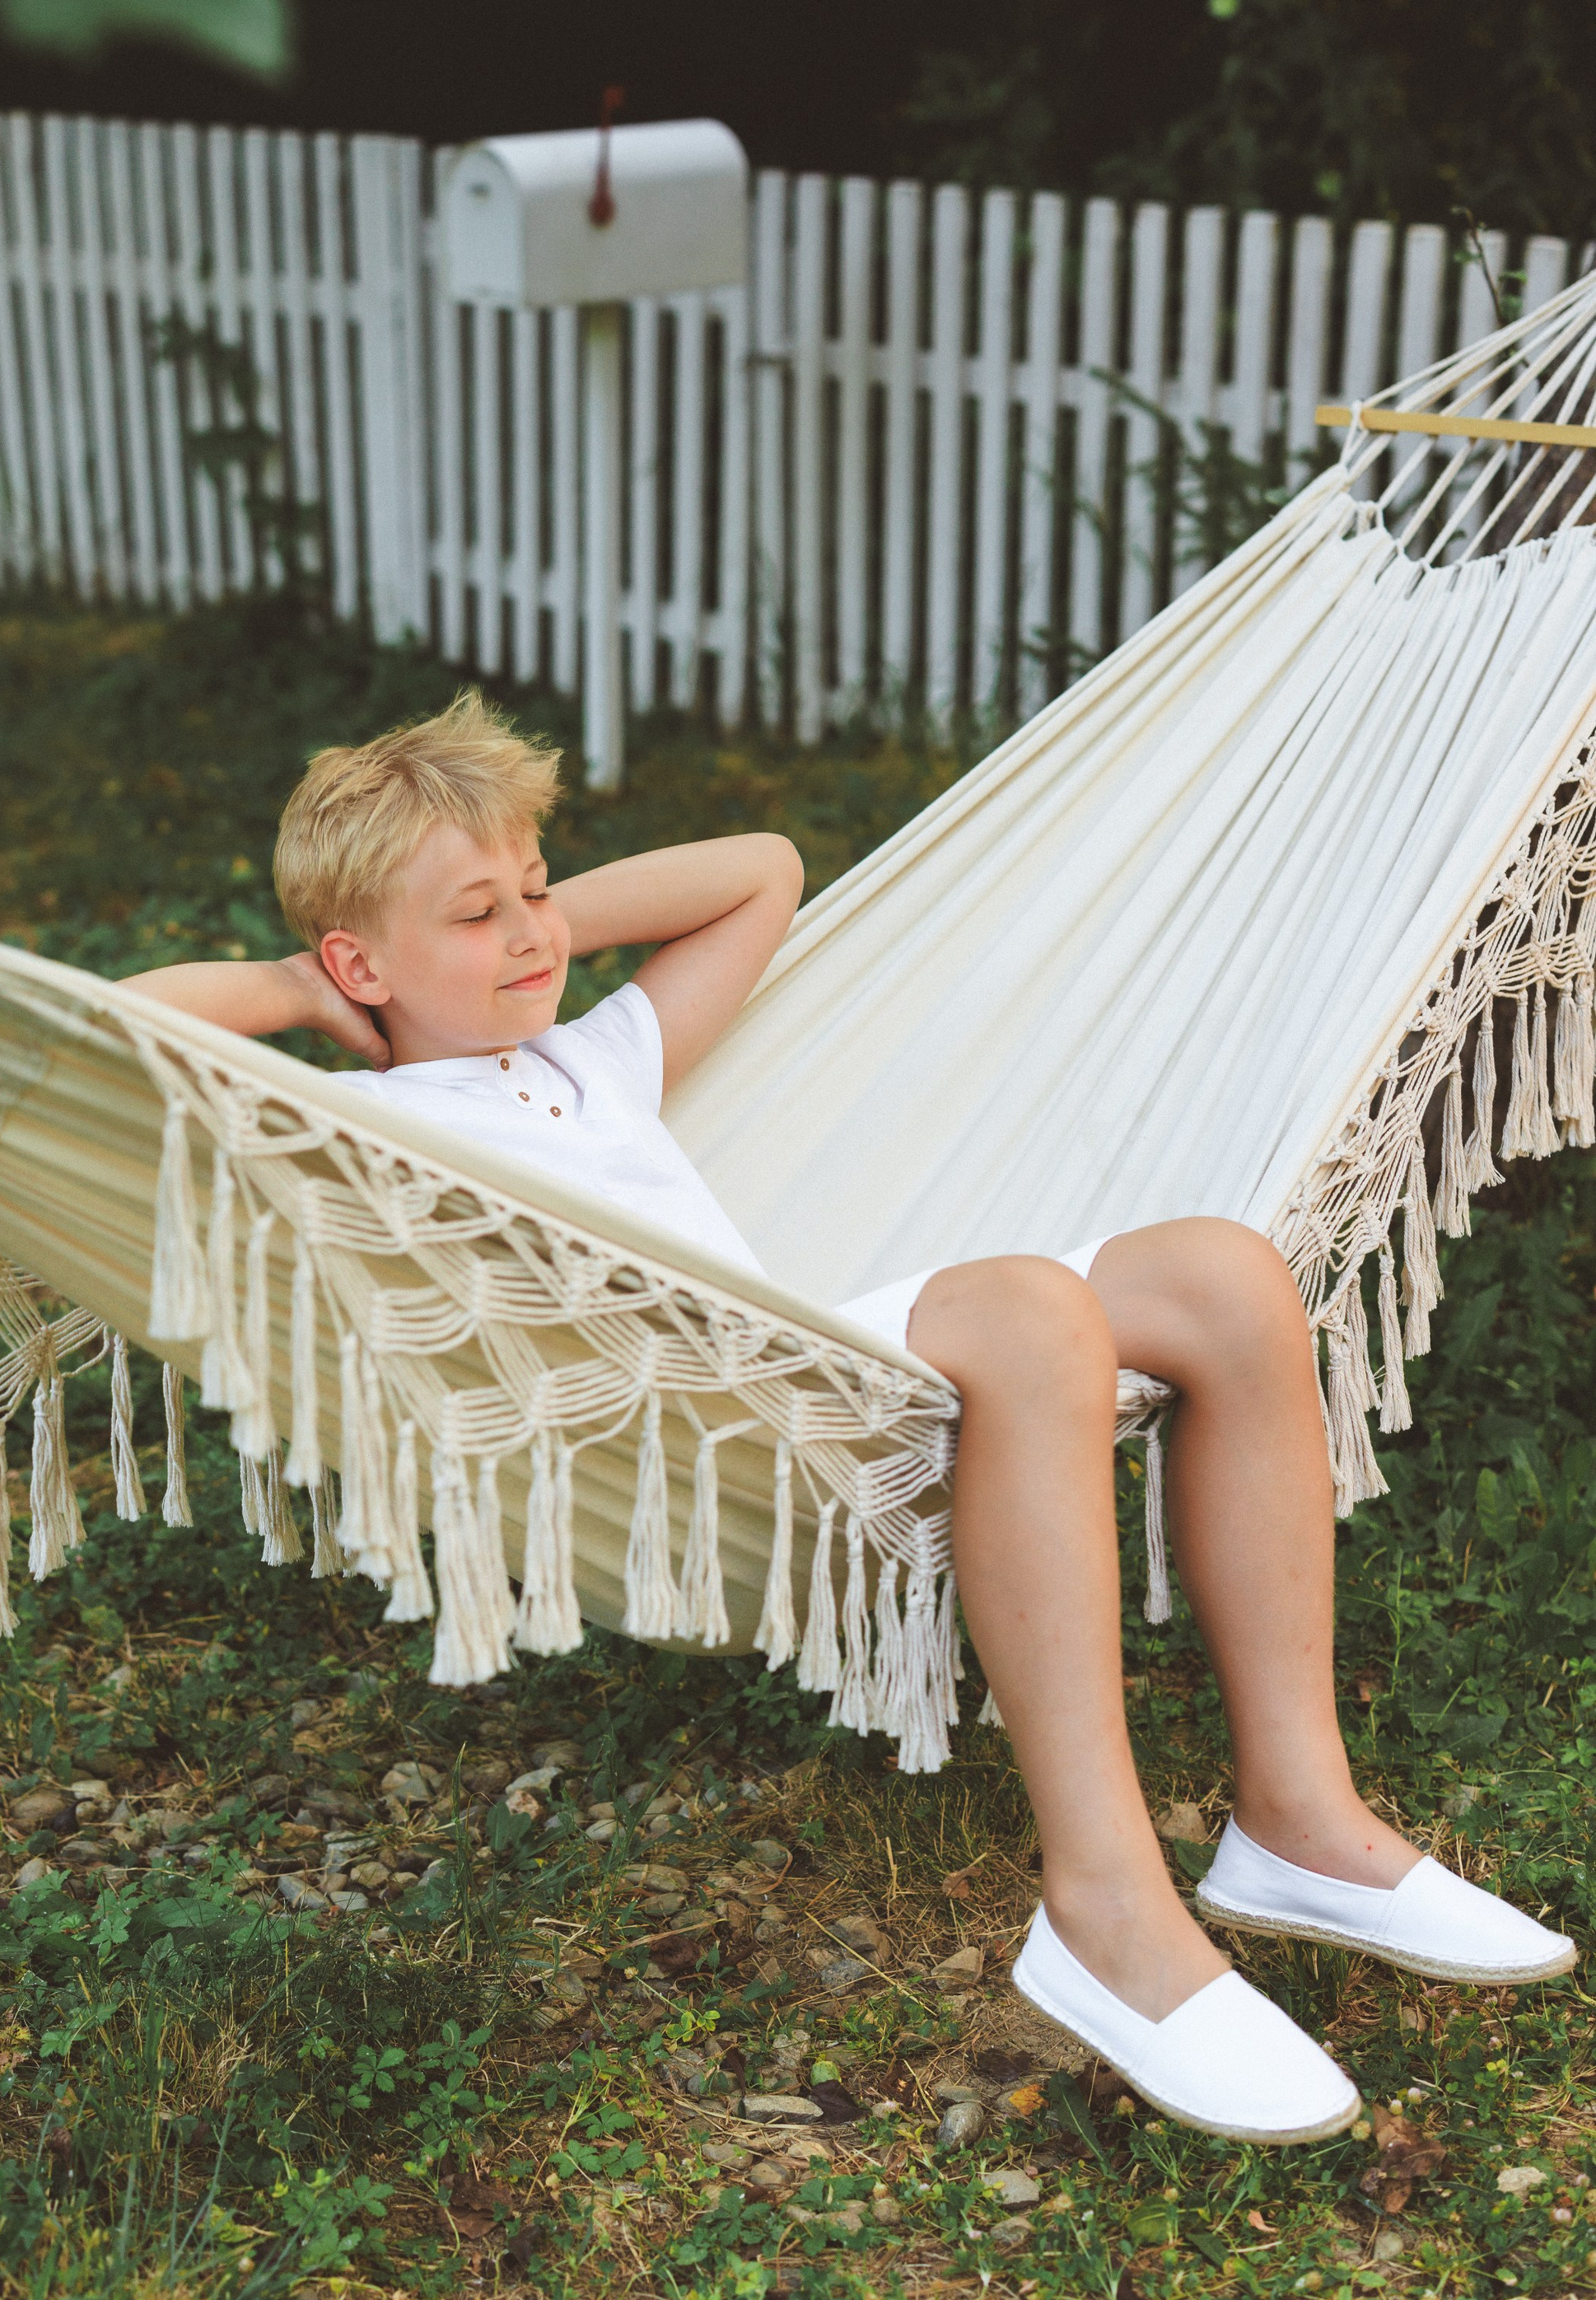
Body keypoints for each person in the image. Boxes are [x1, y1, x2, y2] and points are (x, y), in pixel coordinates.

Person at [119, 694, 1575, 2142]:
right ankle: (1106, 1907)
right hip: (696, 1421)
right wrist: (323, 995)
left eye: (537, 894)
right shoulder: (360, 1122)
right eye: (476, 917)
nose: (530, 939)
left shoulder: (593, 1057)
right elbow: (123, 1030)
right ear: (357, 957)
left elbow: (763, 865)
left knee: (1229, 1278)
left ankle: (1297, 1819)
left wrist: (510, 910)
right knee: (1029, 1310)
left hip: (808, 1357)